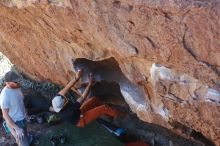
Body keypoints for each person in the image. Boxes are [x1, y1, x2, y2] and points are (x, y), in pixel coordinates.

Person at [50, 69, 120, 127]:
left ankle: (108, 115)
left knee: (95, 99)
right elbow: (83, 96)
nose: (64, 98)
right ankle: (120, 115)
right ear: (63, 106)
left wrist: (77, 77)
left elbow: (67, 87)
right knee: (104, 108)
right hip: (81, 120)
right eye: (64, 100)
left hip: (78, 112)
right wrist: (90, 83)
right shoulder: (69, 111)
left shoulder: (57, 99)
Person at [0, 71, 29, 146]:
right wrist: (16, 129)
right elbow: (5, 116)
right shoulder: (5, 96)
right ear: (8, 83)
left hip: (23, 119)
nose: (18, 83)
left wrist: (25, 114)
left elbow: (20, 102)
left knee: (26, 136)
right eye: (15, 81)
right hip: (15, 123)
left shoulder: (17, 87)